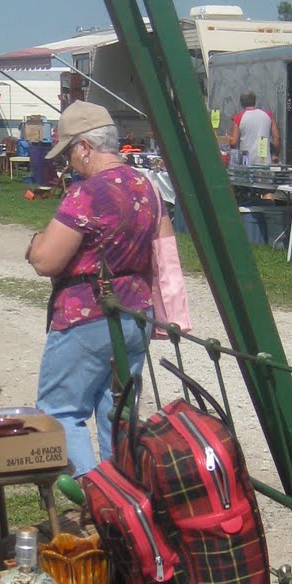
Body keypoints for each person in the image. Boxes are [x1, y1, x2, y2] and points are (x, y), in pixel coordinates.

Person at [26, 101, 173, 475]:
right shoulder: (148, 187)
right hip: (136, 313)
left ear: (85, 147)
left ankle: (92, 498)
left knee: (61, 412)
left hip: (86, 314)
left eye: (70, 153)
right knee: (118, 416)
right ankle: (123, 503)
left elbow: (47, 261)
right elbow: (165, 253)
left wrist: (35, 243)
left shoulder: (87, 194)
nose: (68, 163)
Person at [228, 91, 279, 165]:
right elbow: (276, 138)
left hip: (246, 162)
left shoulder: (238, 118)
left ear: (241, 103)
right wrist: (275, 154)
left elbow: (234, 142)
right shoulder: (268, 115)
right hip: (264, 161)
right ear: (255, 101)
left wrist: (226, 139)